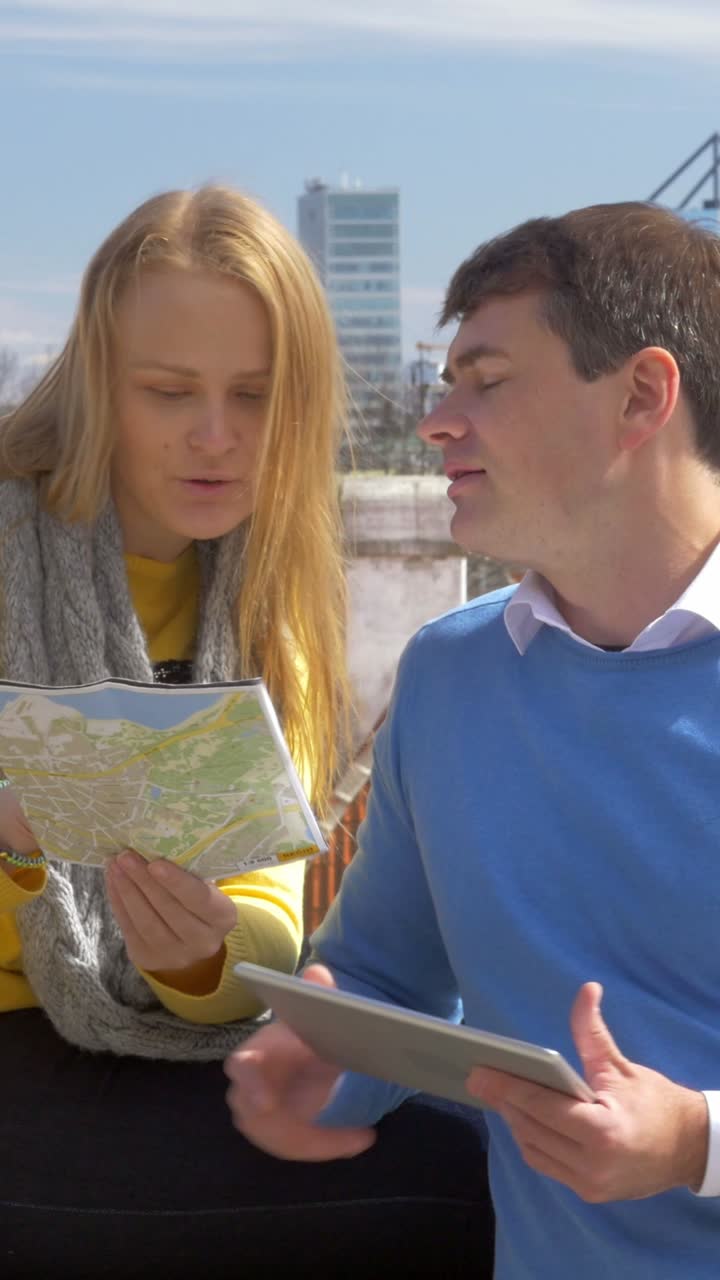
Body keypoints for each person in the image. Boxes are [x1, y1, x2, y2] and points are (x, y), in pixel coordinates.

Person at [0, 184, 493, 1278]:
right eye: (170, 391)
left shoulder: (269, 600)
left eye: (257, 395)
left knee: (472, 1152)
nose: (216, 437)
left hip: (159, 1039)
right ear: (96, 389)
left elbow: (270, 926)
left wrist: (206, 949)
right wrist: (20, 849)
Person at [226, 201, 720, 1279]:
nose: (438, 419)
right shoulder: (450, 678)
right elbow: (384, 974)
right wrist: (319, 1051)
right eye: (446, 381)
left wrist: (697, 1143)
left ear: (642, 395)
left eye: (486, 381)